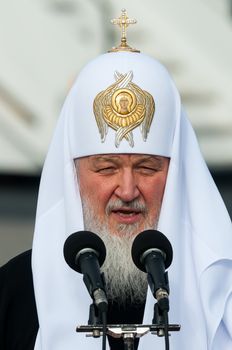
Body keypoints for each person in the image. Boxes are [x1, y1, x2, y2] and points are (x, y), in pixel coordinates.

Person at [0, 10, 232, 350]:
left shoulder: (219, 292)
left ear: (177, 174)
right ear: (73, 175)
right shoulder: (15, 292)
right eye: (106, 168)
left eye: (147, 168)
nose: (126, 190)